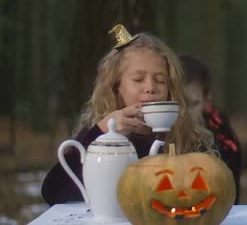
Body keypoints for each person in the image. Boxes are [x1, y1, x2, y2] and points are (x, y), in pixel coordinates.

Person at [41, 25, 217, 205]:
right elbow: (53, 193)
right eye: (138, 79)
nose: (150, 88)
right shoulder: (97, 133)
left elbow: (211, 194)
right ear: (116, 86)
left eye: (160, 80)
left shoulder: (186, 136)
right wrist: (100, 132)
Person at [178, 53, 242, 204]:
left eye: (192, 104)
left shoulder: (223, 140)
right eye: (176, 104)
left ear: (207, 100)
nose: (182, 114)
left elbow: (228, 197)